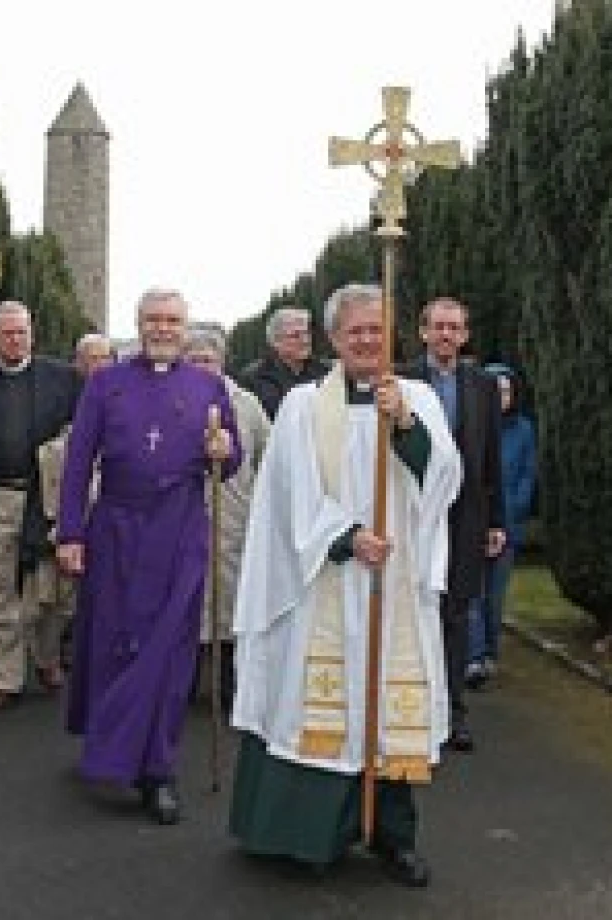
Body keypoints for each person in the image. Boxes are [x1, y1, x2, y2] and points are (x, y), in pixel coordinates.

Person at [229, 283, 461, 887]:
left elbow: (444, 478)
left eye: (376, 331)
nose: (366, 341)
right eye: (355, 331)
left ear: (392, 337)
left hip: (396, 584)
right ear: (333, 339)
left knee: (387, 708)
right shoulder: (305, 406)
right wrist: (346, 535)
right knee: (323, 709)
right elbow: (288, 494)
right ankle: (315, 836)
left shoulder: (417, 399)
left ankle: (394, 837)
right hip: (327, 580)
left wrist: (405, 426)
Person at [56, 289, 241, 826]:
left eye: (173, 320)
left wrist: (224, 451)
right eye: (153, 319)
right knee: (116, 643)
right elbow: (77, 463)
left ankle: (157, 770)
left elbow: (230, 461)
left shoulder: (208, 386)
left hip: (180, 528)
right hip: (117, 526)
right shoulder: (105, 384)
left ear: (186, 328)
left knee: (169, 648)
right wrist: (71, 533)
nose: (163, 328)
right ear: (138, 325)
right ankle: (111, 737)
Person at [0, 301, 82, 710]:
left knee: (54, 590)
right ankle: (2, 678)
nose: (16, 340)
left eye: (22, 331)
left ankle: (46, 657)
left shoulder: (63, 379)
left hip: (49, 499)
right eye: (7, 333)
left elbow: (82, 437)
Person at [398, 298, 505, 749]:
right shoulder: (401, 381)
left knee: (457, 614)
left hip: (465, 516)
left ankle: (453, 711)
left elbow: (490, 459)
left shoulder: (481, 386)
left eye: (454, 328)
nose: (446, 335)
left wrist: (495, 521)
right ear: (423, 332)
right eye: (438, 327)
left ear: (465, 336)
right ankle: (409, 708)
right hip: (414, 511)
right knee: (413, 606)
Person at [182, 326, 271, 715]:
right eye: (194, 360)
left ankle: (233, 685)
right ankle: (183, 683)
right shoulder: (175, 399)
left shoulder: (246, 404)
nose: (202, 368)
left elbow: (270, 454)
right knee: (187, 601)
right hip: (187, 515)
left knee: (233, 602)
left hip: (236, 517)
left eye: (208, 360)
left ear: (222, 362)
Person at [34, 332, 115, 689]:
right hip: (63, 498)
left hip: (112, 502)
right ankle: (52, 655)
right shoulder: (61, 395)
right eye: (89, 359)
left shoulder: (123, 392)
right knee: (55, 594)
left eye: (103, 358)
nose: (96, 366)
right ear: (77, 363)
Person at [469, 364, 534, 687]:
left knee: (494, 597)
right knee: (474, 595)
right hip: (474, 524)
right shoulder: (474, 426)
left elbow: (527, 477)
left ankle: (490, 650)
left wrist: (509, 514)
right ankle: (475, 657)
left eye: (505, 391)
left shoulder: (523, 430)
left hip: (508, 526)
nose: (500, 397)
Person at [238, 306, 331, 419]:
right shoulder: (254, 378)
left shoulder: (326, 372)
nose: (305, 340)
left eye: (306, 333)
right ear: (276, 341)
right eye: (295, 336)